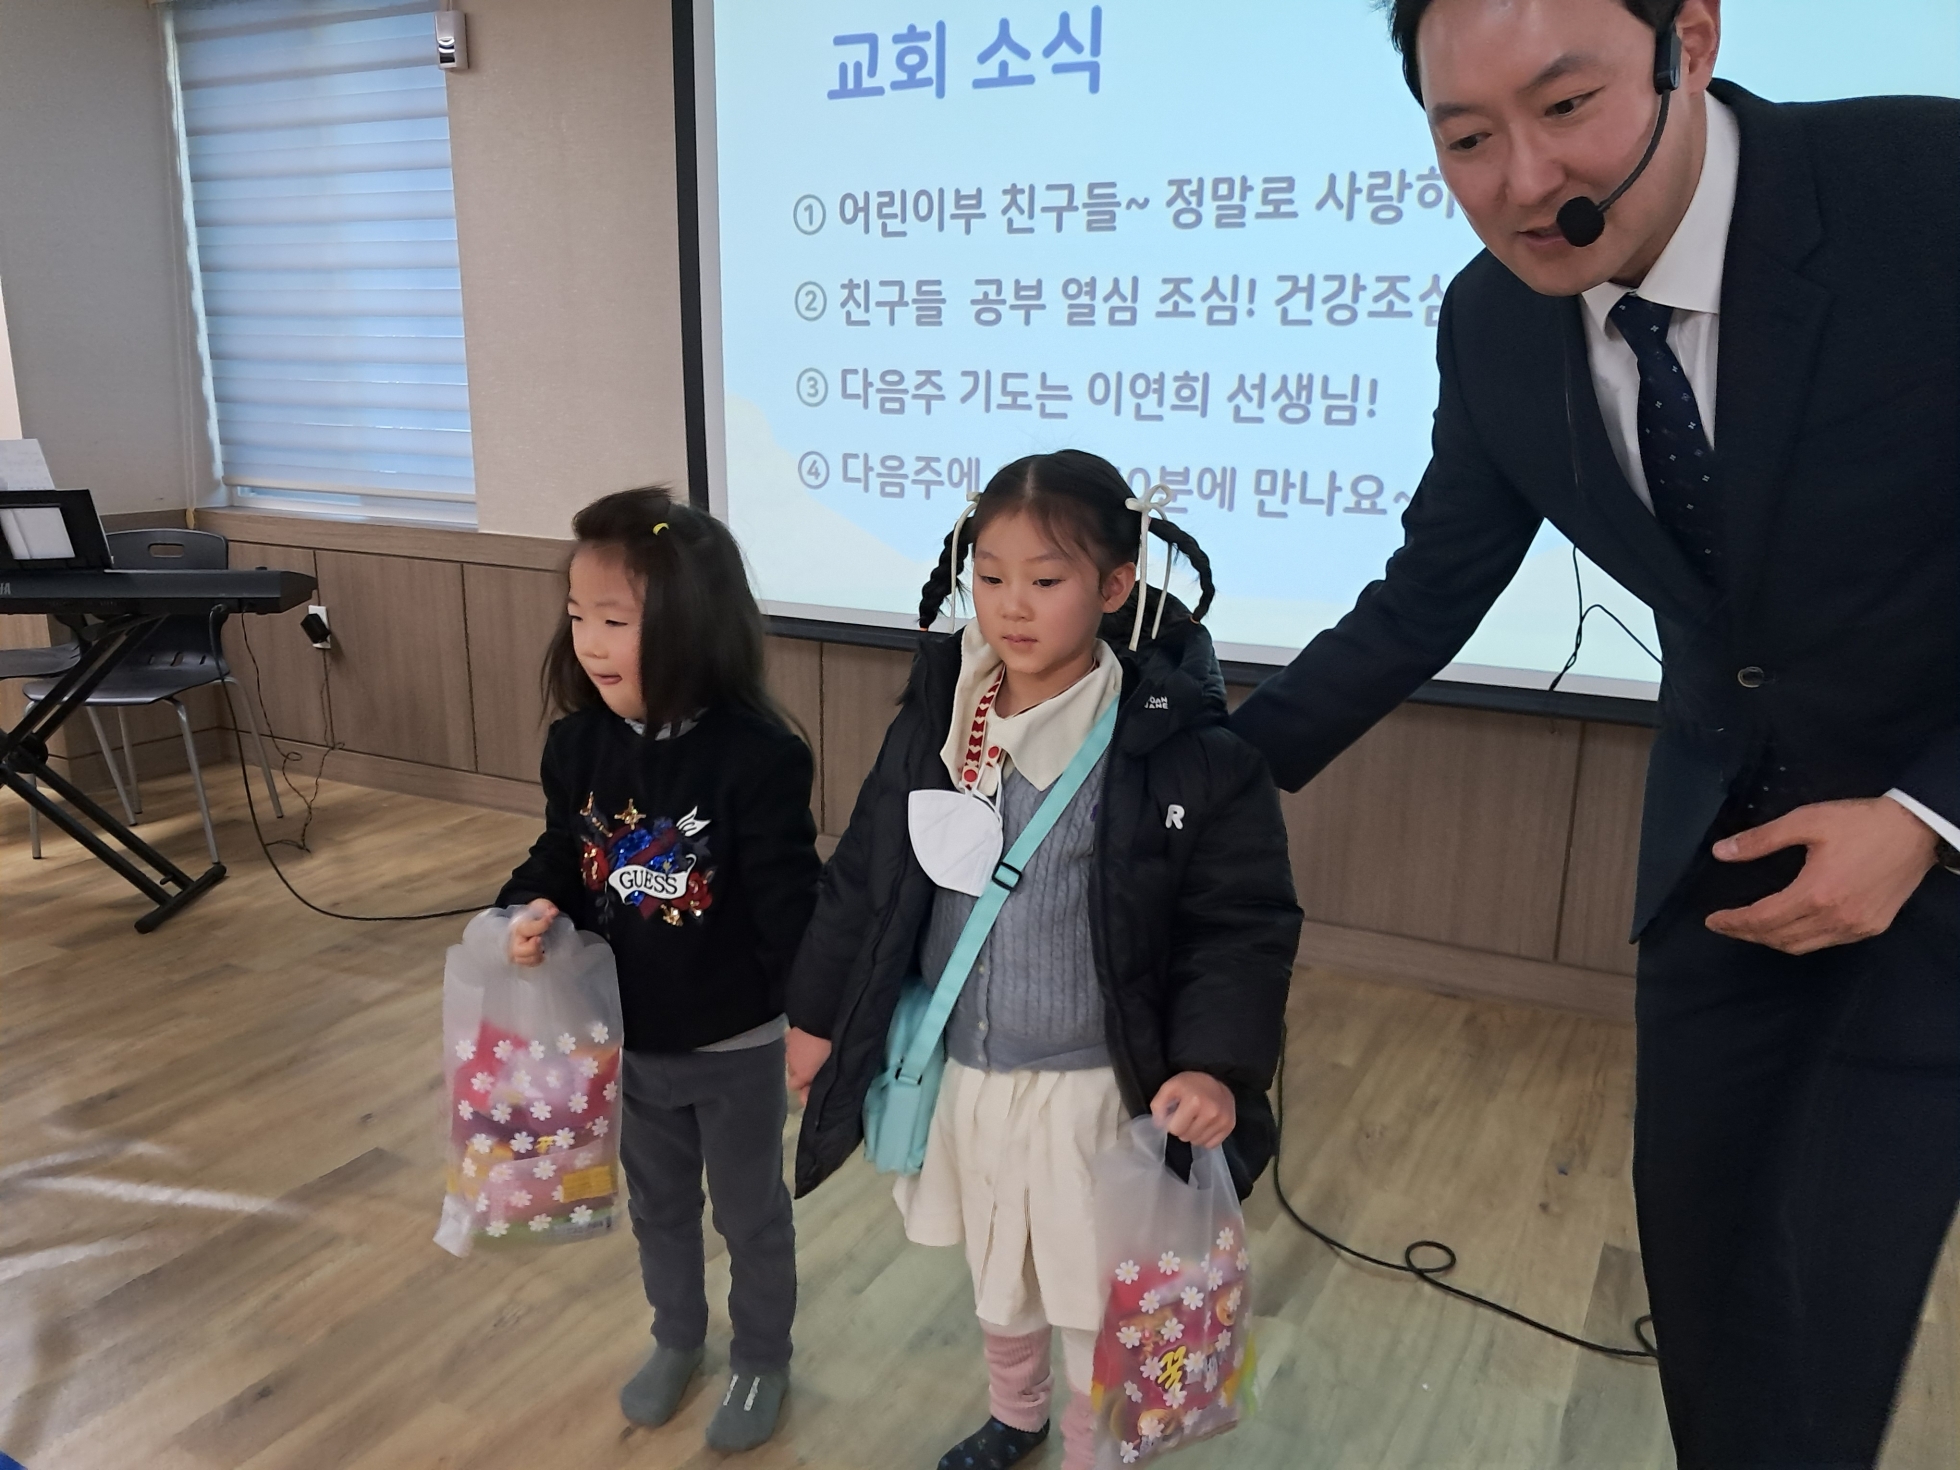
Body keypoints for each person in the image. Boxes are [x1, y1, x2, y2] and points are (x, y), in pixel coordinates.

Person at [1228, 0, 1958, 1464]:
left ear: (1688, 40)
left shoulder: (1920, 188)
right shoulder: (1493, 319)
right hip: (1717, 862)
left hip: (1931, 864)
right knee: (1705, 1268)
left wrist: (1926, 813)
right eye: (1464, 137)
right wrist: (1200, 773)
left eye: (1566, 107)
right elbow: (1428, 590)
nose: (1518, 181)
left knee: (1836, 1297)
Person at [782, 450, 1301, 1470]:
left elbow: (1238, 925)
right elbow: (865, 874)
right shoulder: (941, 718)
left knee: (1092, 1292)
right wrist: (816, 1013)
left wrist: (1216, 1066)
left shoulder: (1184, 754)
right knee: (999, 1271)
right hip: (967, 1073)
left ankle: (1088, 1448)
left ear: (1113, 587)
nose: (1011, 604)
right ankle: (1014, 1415)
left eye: (1046, 578)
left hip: (1096, 1089)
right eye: (989, 575)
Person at [497, 487, 820, 1452]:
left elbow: (790, 903)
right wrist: (528, 907)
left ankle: (761, 1356)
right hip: (629, 1039)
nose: (590, 643)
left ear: (689, 625)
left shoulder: (759, 757)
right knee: (660, 1207)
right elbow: (563, 853)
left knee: (750, 1215)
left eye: (616, 620)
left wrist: (817, 1022)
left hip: (735, 1043)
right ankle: (678, 1336)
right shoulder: (576, 744)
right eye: (578, 616)